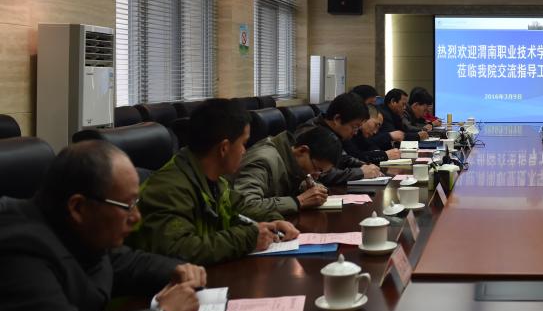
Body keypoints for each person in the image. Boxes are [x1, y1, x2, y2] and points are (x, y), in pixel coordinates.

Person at [0, 141, 205, 311]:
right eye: (127, 206)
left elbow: (124, 263)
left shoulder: (74, 230)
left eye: (135, 203)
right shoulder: (18, 246)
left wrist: (178, 269)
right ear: (78, 207)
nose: (136, 217)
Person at [131, 99, 299, 264]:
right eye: (243, 143)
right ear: (224, 148)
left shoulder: (215, 180)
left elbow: (241, 208)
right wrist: (248, 238)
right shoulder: (169, 189)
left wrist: (273, 221)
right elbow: (179, 249)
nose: (244, 151)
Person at [233, 126, 341, 215]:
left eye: (321, 172)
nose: (317, 176)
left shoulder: (290, 159)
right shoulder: (263, 160)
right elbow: (245, 205)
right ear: (302, 150)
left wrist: (303, 187)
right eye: (317, 169)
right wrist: (299, 201)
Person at [298, 92, 383, 184]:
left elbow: (343, 158)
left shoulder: (333, 131)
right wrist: (360, 172)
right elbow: (320, 174)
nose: (355, 133)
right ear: (337, 119)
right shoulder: (313, 133)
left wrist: (364, 165)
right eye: (354, 127)